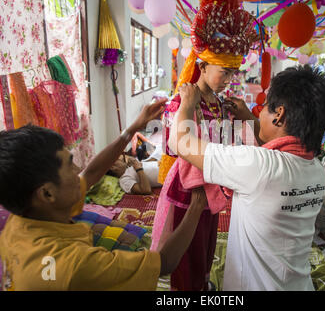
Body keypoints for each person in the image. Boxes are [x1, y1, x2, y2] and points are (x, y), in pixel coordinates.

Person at [0, 99, 208, 291]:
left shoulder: (20, 221)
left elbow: (91, 173)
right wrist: (196, 205)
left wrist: (134, 128)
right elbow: (165, 262)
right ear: (47, 193)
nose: (78, 168)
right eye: (69, 165)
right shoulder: (74, 264)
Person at [168, 65, 325, 290]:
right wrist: (248, 116)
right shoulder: (315, 168)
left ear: (280, 114)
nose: (259, 113)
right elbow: (277, 148)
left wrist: (188, 103)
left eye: (264, 107)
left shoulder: (258, 165)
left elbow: (179, 143)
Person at [152, 0, 259, 291]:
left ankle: (201, 283)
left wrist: (242, 119)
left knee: (207, 244)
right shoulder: (182, 100)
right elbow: (172, 147)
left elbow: (238, 141)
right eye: (224, 72)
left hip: (214, 184)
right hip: (189, 188)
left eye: (232, 73)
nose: (228, 80)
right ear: (203, 65)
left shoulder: (223, 104)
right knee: (186, 249)